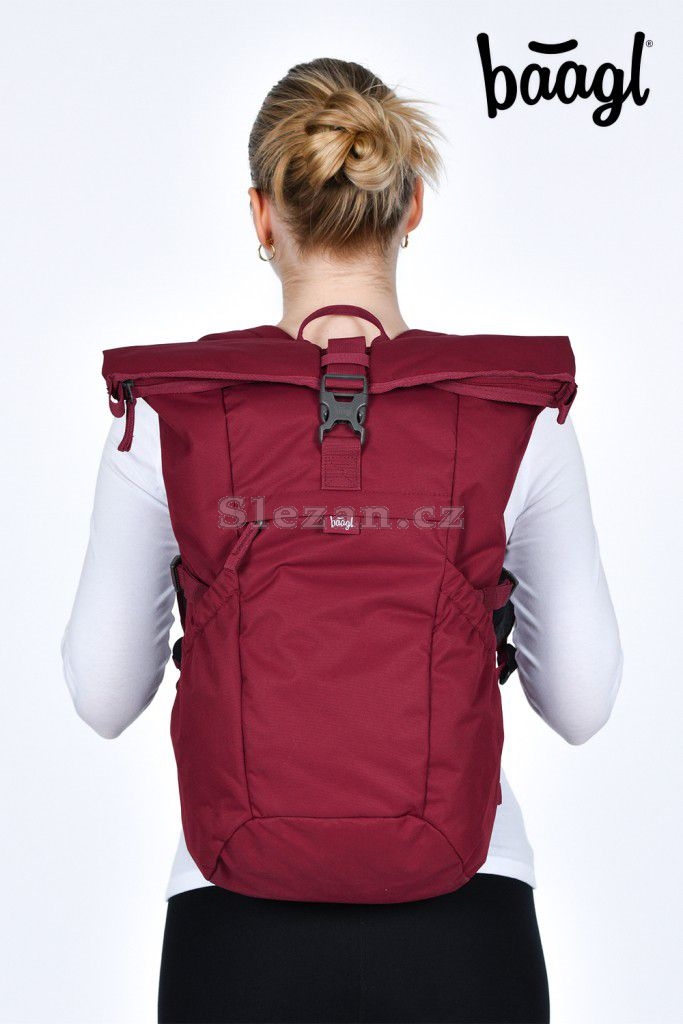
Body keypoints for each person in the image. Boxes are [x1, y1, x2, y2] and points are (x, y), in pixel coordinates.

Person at [61, 57, 623, 1024]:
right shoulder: (516, 418)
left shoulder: (167, 417)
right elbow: (580, 703)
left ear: (260, 215)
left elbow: (104, 695)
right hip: (465, 914)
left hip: (234, 920)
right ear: (410, 208)